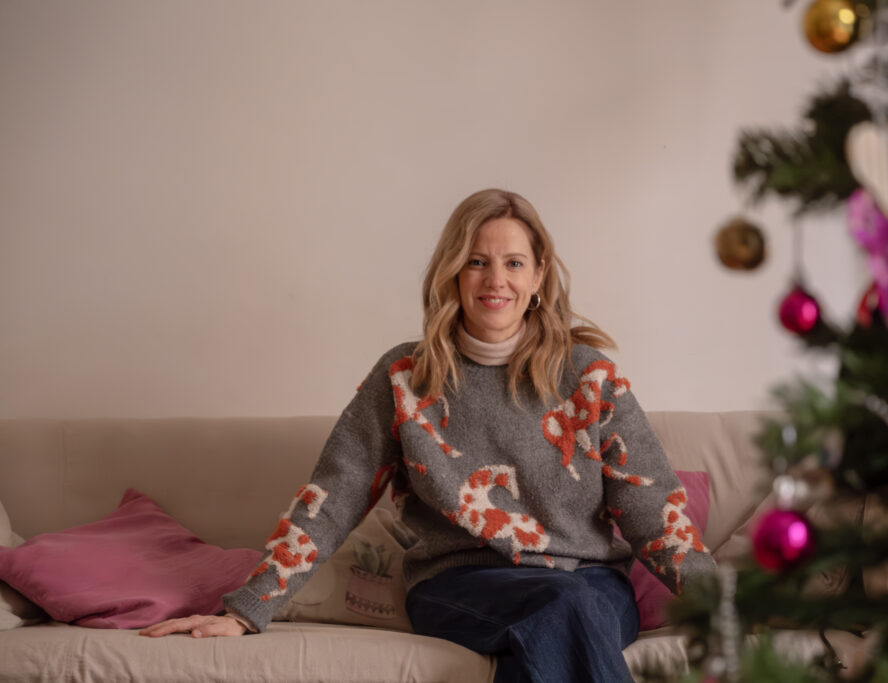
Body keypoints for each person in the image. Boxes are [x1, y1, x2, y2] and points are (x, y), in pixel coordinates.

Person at [140, 189, 715, 682]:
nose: (496, 280)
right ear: (452, 273)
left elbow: (652, 512)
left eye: (514, 263)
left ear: (538, 275)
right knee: (562, 609)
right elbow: (334, 496)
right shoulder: (405, 378)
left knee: (557, 621)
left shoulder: (590, 377)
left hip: (591, 585)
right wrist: (247, 608)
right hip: (461, 585)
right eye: (477, 262)